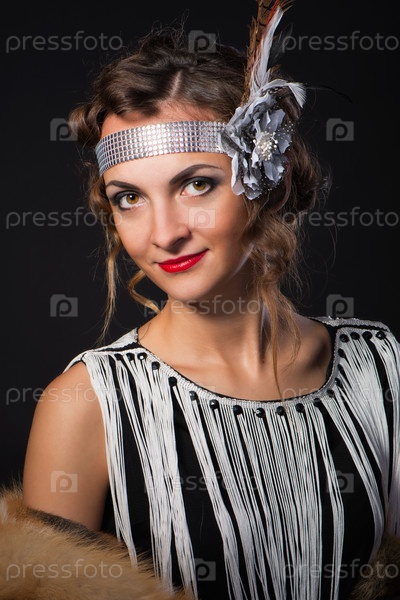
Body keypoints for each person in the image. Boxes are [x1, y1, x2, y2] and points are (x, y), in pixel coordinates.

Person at [7, 1, 399, 599]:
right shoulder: (84, 406)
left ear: (268, 181)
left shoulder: (381, 369)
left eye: (196, 184)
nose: (163, 234)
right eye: (129, 198)